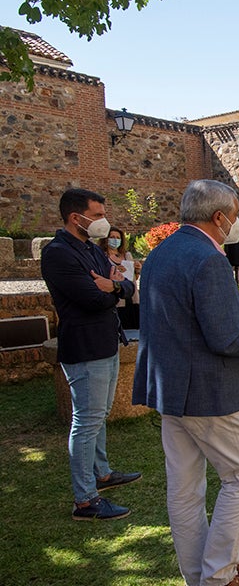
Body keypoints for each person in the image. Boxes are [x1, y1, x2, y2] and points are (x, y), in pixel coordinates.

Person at [133, 179, 239, 586]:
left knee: (184, 488)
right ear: (220, 217)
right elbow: (227, 341)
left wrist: (234, 317)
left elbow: (182, 318)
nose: (238, 223)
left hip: (171, 389)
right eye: (237, 214)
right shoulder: (209, 259)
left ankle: (198, 575)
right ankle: (220, 578)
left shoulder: (161, 252)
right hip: (209, 392)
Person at [41, 188, 140, 521]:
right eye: (98, 215)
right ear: (76, 217)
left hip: (106, 341)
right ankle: (85, 500)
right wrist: (111, 289)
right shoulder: (57, 254)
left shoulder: (91, 249)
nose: (103, 221)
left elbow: (125, 286)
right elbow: (90, 299)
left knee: (99, 415)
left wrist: (111, 285)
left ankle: (102, 473)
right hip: (84, 347)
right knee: (86, 422)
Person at [100, 225, 141, 330]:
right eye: (112, 237)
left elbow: (134, 278)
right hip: (116, 301)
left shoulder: (127, 256)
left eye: (118, 238)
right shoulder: (102, 257)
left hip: (132, 299)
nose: (115, 240)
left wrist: (137, 270)